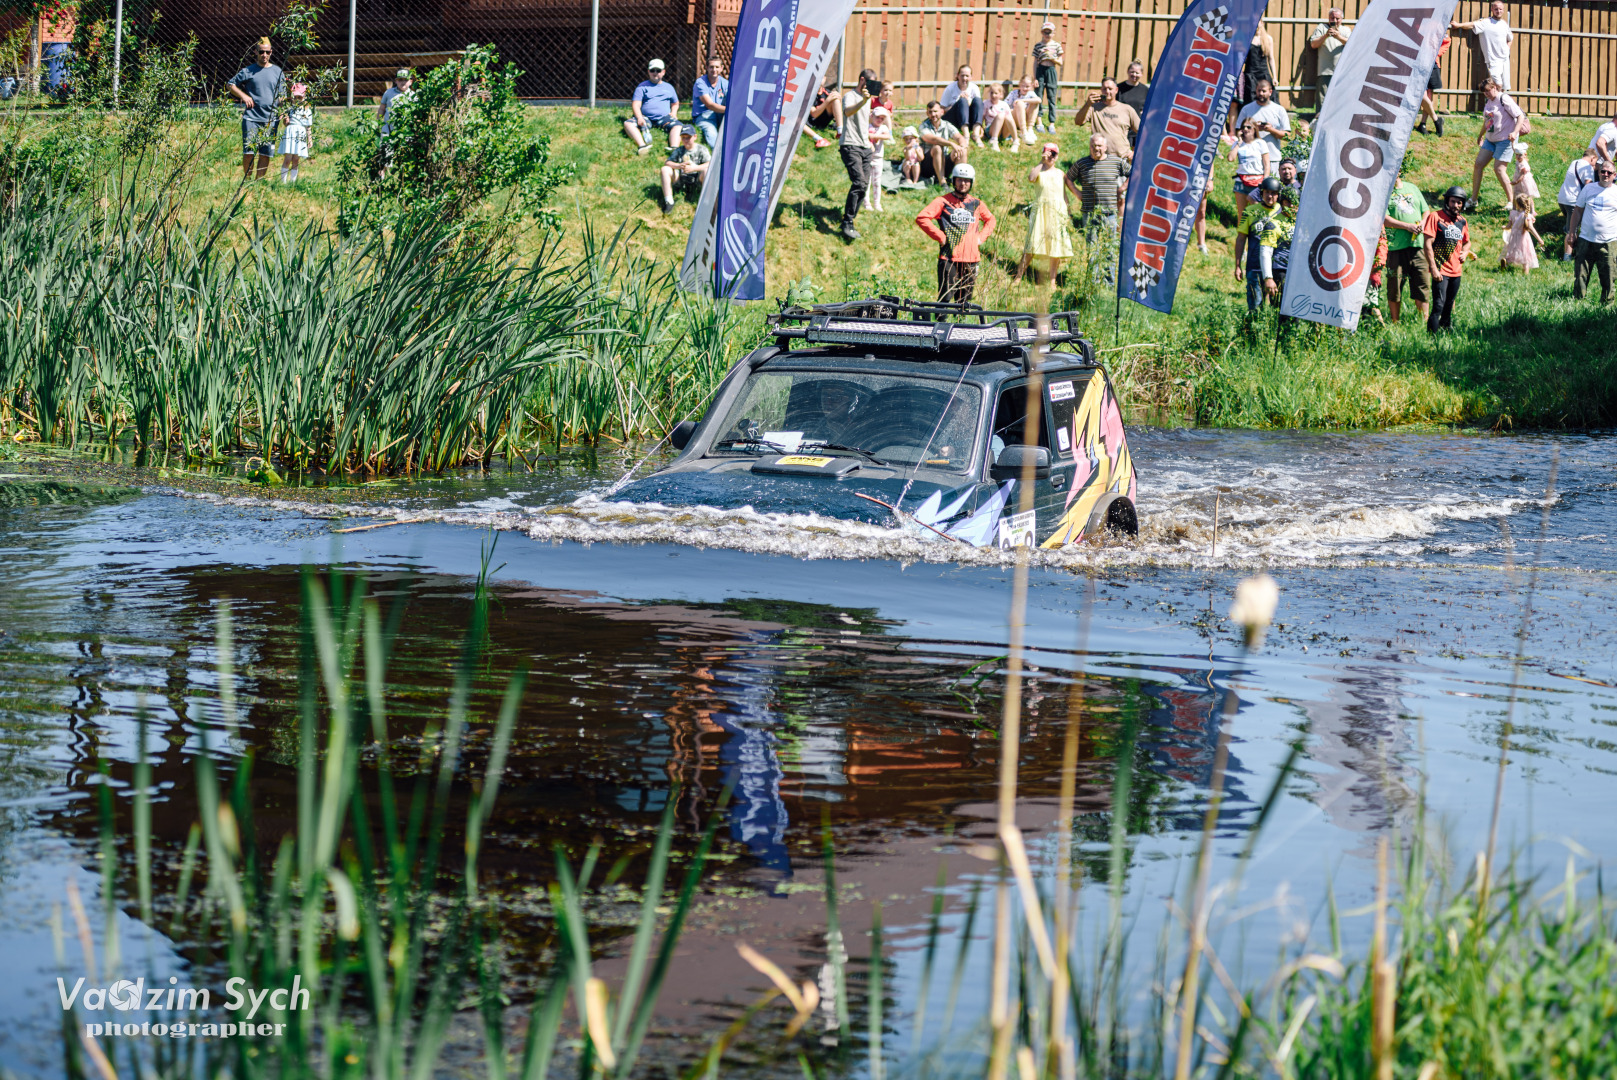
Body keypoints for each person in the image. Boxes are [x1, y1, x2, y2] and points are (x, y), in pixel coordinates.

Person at [915, 163, 997, 304]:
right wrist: (940, 237)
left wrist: (980, 238)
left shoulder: (976, 204)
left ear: (971, 182)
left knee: (965, 302)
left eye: (966, 180)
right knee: (945, 298)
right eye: (959, 179)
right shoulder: (943, 201)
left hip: (971, 259)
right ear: (953, 180)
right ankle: (941, 319)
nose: (963, 183)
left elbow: (991, 219)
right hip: (949, 258)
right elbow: (922, 218)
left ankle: (960, 319)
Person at [1015, 143, 1074, 284]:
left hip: (1057, 212)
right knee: (1032, 243)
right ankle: (1018, 276)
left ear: (1057, 156)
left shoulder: (1060, 173)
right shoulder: (1038, 170)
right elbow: (1031, 178)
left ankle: (1052, 281)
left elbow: (1064, 194)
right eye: (1048, 152)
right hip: (1041, 211)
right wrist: (1041, 162)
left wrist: (1069, 212)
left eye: (1054, 153)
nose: (1051, 156)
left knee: (1056, 246)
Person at [228, 37, 284, 180]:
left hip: (270, 119)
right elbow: (230, 85)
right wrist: (244, 96)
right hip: (251, 118)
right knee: (249, 152)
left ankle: (258, 182)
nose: (264, 55)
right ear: (255, 52)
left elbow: (282, 95)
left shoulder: (277, 71)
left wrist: (283, 112)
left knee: (265, 153)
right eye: (261, 52)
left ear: (271, 52)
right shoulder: (248, 70)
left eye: (267, 52)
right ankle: (247, 180)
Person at [1383, 169, 1431, 323]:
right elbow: (1384, 218)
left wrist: (1423, 223)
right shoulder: (1384, 192)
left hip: (1418, 245)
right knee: (1395, 286)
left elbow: (1426, 211)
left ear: (1400, 171)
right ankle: (1395, 321)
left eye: (1397, 168)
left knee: (1422, 283)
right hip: (1395, 246)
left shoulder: (1412, 188)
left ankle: (1424, 322)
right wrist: (1407, 226)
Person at [1422, 186, 1472, 332]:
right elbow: (1427, 244)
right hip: (1440, 269)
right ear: (1447, 201)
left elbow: (1467, 241)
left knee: (1449, 305)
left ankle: (1445, 333)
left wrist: (1465, 252)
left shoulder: (1462, 221)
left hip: (1456, 271)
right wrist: (1433, 268)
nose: (1456, 205)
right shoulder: (1435, 217)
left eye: (1459, 202)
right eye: (1453, 201)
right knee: (1439, 305)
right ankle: (1431, 337)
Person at [1233, 176, 1286, 312]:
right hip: (1254, 265)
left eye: (1273, 193)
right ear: (1261, 193)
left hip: (1276, 267)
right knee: (1255, 306)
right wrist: (1238, 265)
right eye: (1267, 192)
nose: (1270, 196)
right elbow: (1241, 238)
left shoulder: (1283, 211)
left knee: (1276, 308)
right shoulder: (1250, 211)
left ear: (1278, 195)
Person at [1064, 133, 1129, 241]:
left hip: (1110, 212)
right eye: (1093, 145)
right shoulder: (1082, 163)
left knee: (1109, 243)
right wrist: (1077, 193)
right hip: (1090, 212)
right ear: (1090, 146)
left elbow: (1133, 173)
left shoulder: (1116, 162)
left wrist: (1122, 188)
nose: (1096, 148)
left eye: (1099, 145)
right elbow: (1068, 178)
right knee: (1092, 245)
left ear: (1106, 147)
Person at [838, 69, 879, 241]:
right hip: (850, 145)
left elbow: (863, 122)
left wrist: (869, 140)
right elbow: (847, 112)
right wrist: (863, 101)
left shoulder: (867, 99)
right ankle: (847, 221)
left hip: (865, 146)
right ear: (862, 80)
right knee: (859, 182)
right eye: (870, 82)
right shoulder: (850, 96)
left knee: (864, 185)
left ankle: (850, 219)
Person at [1471, 77, 1522, 209]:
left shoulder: (1503, 99)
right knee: (1478, 164)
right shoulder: (1489, 101)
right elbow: (1487, 121)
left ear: (1494, 87)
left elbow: (1520, 116)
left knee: (1499, 169)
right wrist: (1481, 135)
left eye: (1488, 91)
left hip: (1505, 140)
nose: (1486, 94)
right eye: (1484, 92)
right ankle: (1473, 199)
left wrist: (1515, 132)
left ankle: (1512, 202)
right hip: (1490, 140)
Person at [1573, 160, 1617, 304]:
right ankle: (1578, 301)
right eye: (1603, 171)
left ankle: (1607, 303)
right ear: (1598, 172)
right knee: (1580, 273)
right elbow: (1578, 211)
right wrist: (1572, 232)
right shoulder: (1588, 188)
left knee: (1609, 275)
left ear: (1614, 175)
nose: (1605, 174)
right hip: (1586, 239)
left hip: (1608, 241)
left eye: (1609, 172)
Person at [1074, 77, 1139, 162]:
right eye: (1104, 89)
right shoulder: (1093, 108)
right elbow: (1078, 122)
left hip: (1122, 159)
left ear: (1116, 90)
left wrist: (1135, 151)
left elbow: (1143, 132)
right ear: (1101, 90)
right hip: (1099, 159)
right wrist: (1087, 104)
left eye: (1110, 89)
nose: (1107, 91)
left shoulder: (1127, 109)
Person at [1453, 1, 1512, 92]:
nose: (1498, 11)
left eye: (1500, 9)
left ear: (1503, 10)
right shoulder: (1486, 22)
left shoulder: (1504, 24)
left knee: (1504, 87)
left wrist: (1507, 49)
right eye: (1496, 9)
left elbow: (1510, 38)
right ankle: (1496, 100)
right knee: (1498, 84)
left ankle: (1499, 100)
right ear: (1492, 9)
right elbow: (1471, 25)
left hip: (1505, 59)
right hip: (1493, 60)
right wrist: (1458, 25)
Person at [625, 59, 681, 155]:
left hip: (664, 118)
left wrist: (674, 112)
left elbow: (675, 103)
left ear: (663, 72)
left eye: (658, 70)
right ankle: (642, 146)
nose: (655, 73)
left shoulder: (669, 87)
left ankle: (674, 148)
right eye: (652, 70)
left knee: (678, 126)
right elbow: (636, 104)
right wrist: (639, 117)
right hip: (646, 118)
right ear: (648, 72)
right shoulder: (642, 87)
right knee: (628, 124)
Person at [1235, 79, 1289, 172]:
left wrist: (1271, 130)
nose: (1261, 93)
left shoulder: (1279, 110)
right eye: (1258, 91)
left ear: (1270, 92)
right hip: (1252, 158)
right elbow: (1238, 131)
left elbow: (1287, 136)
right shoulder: (1247, 109)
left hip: (1273, 158)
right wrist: (1254, 129)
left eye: (1264, 91)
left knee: (1271, 182)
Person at [1558, 146, 1598, 261]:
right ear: (1592, 158)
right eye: (1595, 162)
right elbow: (1588, 186)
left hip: (1562, 198)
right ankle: (1567, 257)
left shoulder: (1574, 162)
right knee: (1572, 230)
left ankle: (1570, 246)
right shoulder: (1588, 168)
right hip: (1573, 201)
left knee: (1570, 225)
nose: (1595, 165)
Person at [658, 125, 711, 212]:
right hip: (681, 178)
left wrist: (695, 168)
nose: (686, 140)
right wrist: (678, 165)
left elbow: (710, 163)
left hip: (697, 179)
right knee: (665, 169)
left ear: (695, 137)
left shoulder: (701, 149)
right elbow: (667, 162)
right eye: (683, 138)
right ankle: (669, 201)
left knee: (707, 171)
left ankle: (707, 201)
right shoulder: (679, 150)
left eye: (688, 137)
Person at [918, 99, 969, 183]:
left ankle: (959, 180)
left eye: (935, 111)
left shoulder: (946, 125)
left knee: (962, 150)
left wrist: (962, 146)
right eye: (930, 112)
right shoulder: (923, 126)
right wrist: (950, 143)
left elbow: (959, 137)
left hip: (943, 162)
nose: (933, 114)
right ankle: (942, 182)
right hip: (927, 165)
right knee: (937, 148)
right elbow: (933, 139)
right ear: (927, 113)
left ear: (942, 112)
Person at [1229, 120, 1270, 219]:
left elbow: (1267, 164)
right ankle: (1242, 230)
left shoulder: (1260, 143)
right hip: (1241, 181)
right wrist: (1239, 143)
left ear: (1254, 129)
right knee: (1242, 214)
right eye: (1243, 127)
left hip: (1257, 181)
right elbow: (1230, 158)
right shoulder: (1238, 143)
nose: (1245, 129)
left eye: (1248, 127)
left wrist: (1265, 181)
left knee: (1257, 213)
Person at [1309, 8, 1351, 105]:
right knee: (1322, 102)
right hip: (1325, 72)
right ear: (1328, 18)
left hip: (1341, 72)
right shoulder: (1322, 28)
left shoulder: (1346, 30)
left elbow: (1352, 44)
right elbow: (1313, 44)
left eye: (1337, 18)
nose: (1334, 21)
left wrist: (1338, 37)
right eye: (1332, 18)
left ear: (1342, 19)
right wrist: (1326, 35)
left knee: (1340, 102)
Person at [940, 66, 985, 147]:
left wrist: (968, 103)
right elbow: (942, 110)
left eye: (967, 76)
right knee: (962, 101)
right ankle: (966, 135)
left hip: (969, 120)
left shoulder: (974, 88)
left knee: (978, 100)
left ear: (971, 77)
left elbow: (978, 108)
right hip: (954, 120)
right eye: (962, 75)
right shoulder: (950, 88)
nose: (964, 78)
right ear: (958, 75)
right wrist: (958, 104)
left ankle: (976, 134)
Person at [1416, 31, 1450, 136]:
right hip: (1417, 63)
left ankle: (1423, 124)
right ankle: (1436, 119)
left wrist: (1435, 53)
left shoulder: (1438, 26)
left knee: (1429, 93)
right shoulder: (1418, 24)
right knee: (1421, 94)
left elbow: (1447, 40)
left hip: (1432, 63)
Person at [1032, 21, 1064, 133]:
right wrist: (1035, 77)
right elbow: (1035, 62)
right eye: (1045, 32)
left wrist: (1052, 59)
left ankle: (1051, 123)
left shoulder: (1057, 45)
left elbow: (1060, 62)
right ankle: (1039, 121)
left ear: (1053, 33)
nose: (1047, 34)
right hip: (1040, 71)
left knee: (1051, 97)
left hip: (1051, 70)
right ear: (1042, 32)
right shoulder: (1038, 46)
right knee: (1039, 96)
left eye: (1049, 32)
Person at [278, 83, 312, 184]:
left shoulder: (307, 110)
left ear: (304, 98)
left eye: (299, 97)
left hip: (300, 133)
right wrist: (286, 121)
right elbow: (286, 123)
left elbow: (308, 126)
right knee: (288, 158)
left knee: (296, 159)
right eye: (295, 97)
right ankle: (283, 182)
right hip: (291, 132)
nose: (297, 99)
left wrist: (309, 139)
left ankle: (293, 182)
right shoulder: (290, 109)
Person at [691, 57, 728, 149]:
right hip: (704, 116)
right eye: (711, 67)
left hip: (721, 114)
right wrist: (730, 111)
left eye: (717, 67)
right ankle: (718, 153)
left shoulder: (725, 83)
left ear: (721, 68)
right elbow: (709, 105)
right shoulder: (700, 83)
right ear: (707, 68)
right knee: (712, 133)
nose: (714, 70)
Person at [1501, 192, 1542, 273]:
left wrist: (1504, 227)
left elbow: (1509, 226)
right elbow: (1531, 228)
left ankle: (1506, 262)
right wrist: (1539, 239)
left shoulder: (1513, 213)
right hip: (1523, 238)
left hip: (1513, 237)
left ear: (1517, 204)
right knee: (1526, 257)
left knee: (1512, 251)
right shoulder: (1527, 216)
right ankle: (1525, 275)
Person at [1241, 19, 1277, 109]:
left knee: (1268, 98)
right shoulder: (1247, 38)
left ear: (1262, 23)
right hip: (1250, 74)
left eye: (1257, 21)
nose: (1255, 24)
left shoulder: (1268, 39)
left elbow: (1271, 58)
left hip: (1264, 73)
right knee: (1250, 98)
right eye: (1253, 21)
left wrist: (1275, 77)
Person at [866, 101, 891, 211]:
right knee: (867, 181)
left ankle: (877, 203)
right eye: (877, 117)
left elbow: (887, 136)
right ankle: (866, 202)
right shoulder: (867, 127)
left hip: (878, 158)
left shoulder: (883, 128)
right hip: (867, 157)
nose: (879, 120)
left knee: (877, 181)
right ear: (872, 116)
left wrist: (874, 136)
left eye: (882, 118)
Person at [378, 69, 411, 139]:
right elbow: (382, 108)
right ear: (396, 81)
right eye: (400, 80)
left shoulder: (413, 96)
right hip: (388, 126)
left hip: (405, 128)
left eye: (405, 80)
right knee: (385, 143)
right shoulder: (388, 92)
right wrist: (378, 122)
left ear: (410, 81)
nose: (403, 82)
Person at [806, 80, 839, 149]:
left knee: (836, 98)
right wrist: (827, 101)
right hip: (812, 122)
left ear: (825, 78)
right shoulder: (809, 93)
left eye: (822, 77)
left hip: (824, 120)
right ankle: (819, 139)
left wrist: (839, 98)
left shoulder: (827, 92)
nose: (820, 79)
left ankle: (840, 131)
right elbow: (814, 114)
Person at [1008, 75, 1041, 146]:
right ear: (1019, 84)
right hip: (1015, 118)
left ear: (1031, 86)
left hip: (1026, 118)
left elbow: (1039, 100)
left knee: (1035, 102)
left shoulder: (1031, 93)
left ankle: (1030, 129)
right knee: (1020, 104)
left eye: (1027, 86)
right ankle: (1023, 132)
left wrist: (1023, 100)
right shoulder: (1013, 93)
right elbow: (1005, 105)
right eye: (1023, 86)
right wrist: (1017, 105)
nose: (1025, 88)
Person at [984, 83, 1017, 152]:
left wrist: (1011, 133)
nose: (993, 95)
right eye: (991, 93)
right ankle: (994, 140)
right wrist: (980, 129)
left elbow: (1010, 120)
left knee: (1007, 117)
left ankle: (1015, 141)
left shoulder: (1004, 104)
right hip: (991, 129)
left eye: (996, 93)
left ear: (1000, 94)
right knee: (1001, 115)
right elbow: (982, 117)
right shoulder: (986, 103)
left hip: (1003, 131)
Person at [1511, 142, 1539, 213]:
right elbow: (1514, 149)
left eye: (1520, 155)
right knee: (1515, 194)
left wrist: (1516, 182)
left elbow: (1522, 175)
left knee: (1527, 196)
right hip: (1519, 179)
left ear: (1525, 155)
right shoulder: (1519, 160)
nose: (1518, 157)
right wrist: (1512, 142)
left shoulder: (1523, 164)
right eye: (1516, 155)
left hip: (1523, 181)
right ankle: (1514, 209)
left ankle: (1532, 211)